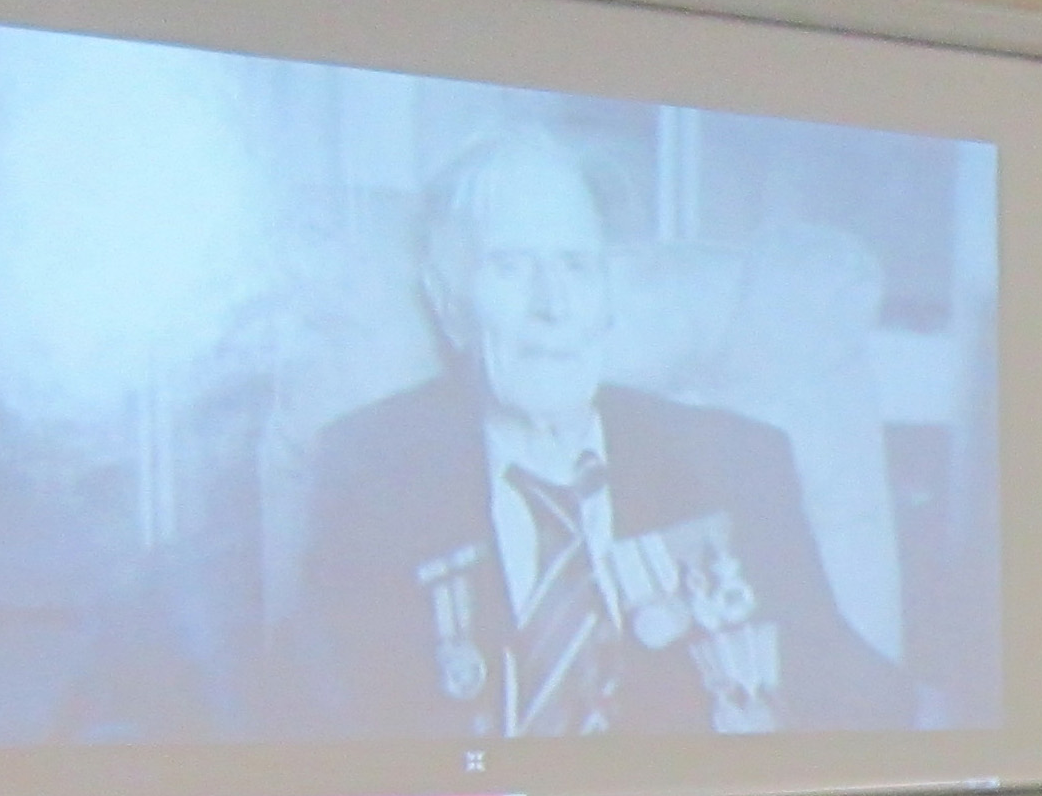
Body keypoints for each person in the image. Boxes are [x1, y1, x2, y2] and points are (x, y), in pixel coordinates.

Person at [291, 127, 913, 741]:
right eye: (510, 267)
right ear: (450, 304)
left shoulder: (735, 461)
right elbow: (311, 719)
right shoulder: (370, 472)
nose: (554, 304)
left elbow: (853, 694)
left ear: (607, 299)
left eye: (578, 266)